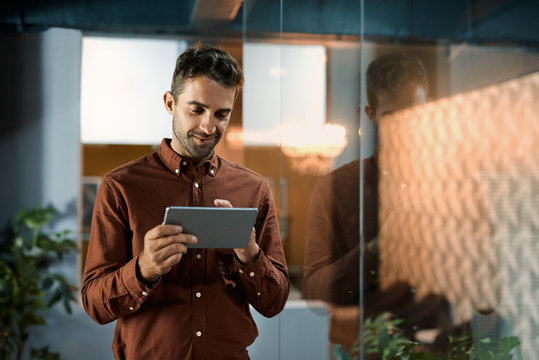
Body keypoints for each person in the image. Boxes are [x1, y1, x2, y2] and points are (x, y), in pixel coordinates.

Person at [82, 43, 290, 360]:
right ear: (170, 103)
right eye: (196, 110)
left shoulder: (254, 189)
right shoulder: (121, 186)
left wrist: (250, 255)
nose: (209, 127)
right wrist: (143, 270)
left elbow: (273, 303)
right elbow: (95, 305)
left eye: (222, 114)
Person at [302, 53, 431, 353]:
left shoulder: (457, 184)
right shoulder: (334, 188)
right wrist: (373, 252)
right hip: (364, 353)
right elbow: (314, 297)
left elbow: (488, 300)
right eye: (392, 117)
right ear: (370, 114)